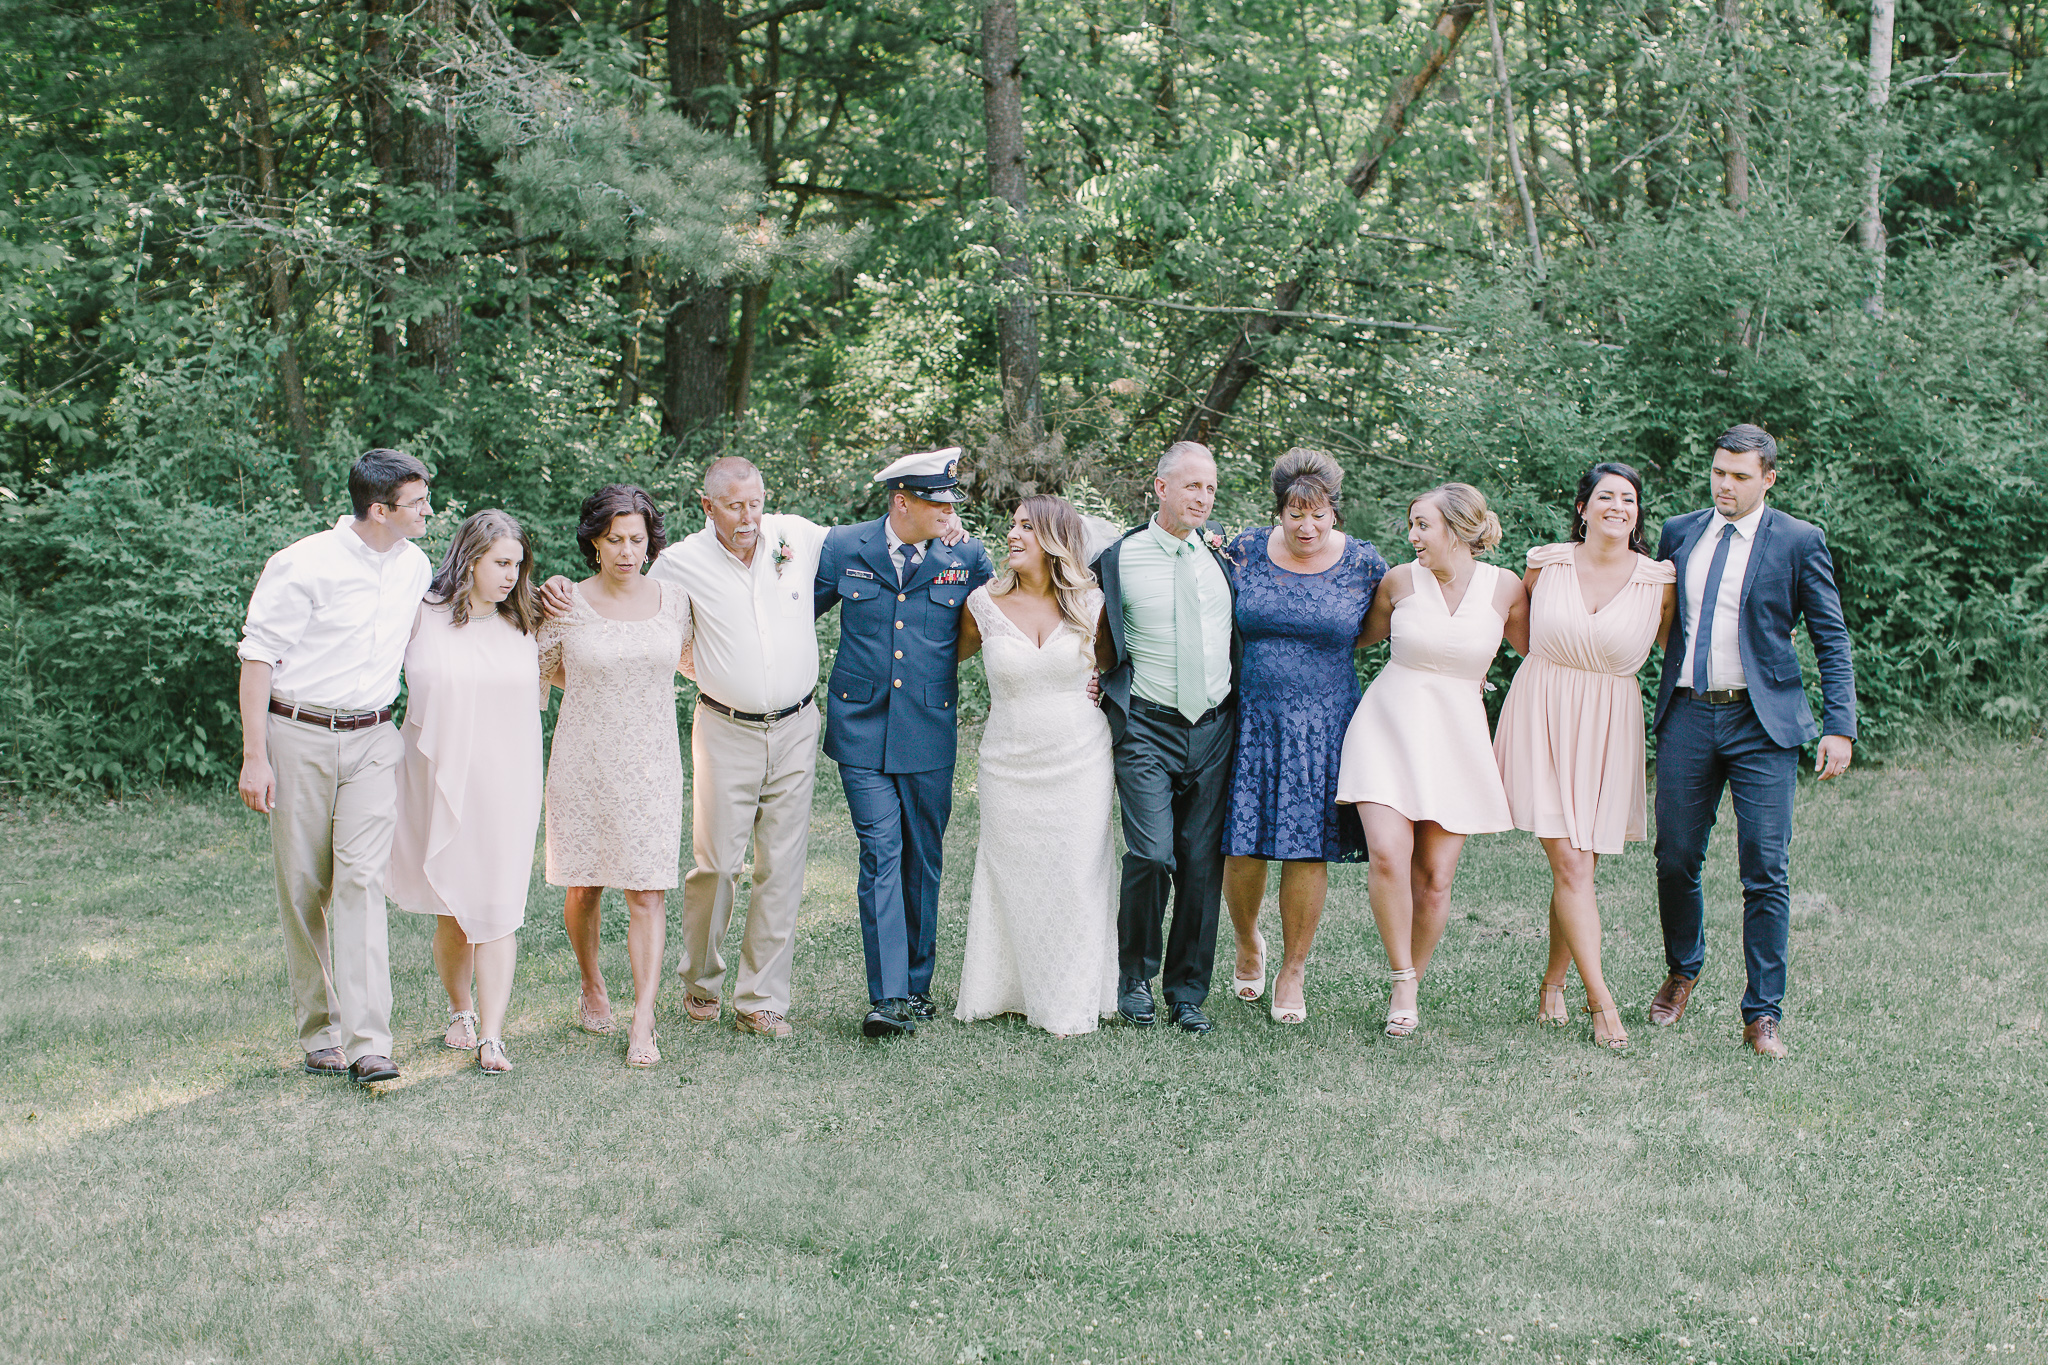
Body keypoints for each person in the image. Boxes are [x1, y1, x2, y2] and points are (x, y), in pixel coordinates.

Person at [1648, 424, 1857, 1058]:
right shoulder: (1679, 534)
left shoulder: (1798, 541)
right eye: (1718, 472)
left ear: (1768, 478)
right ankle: (1683, 970)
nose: (1726, 486)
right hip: (1687, 713)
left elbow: (1832, 637)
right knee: (1676, 857)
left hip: (1762, 723)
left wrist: (1840, 725)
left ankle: (1763, 1013)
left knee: (1766, 869)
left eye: (1740, 476)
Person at [236, 448, 434, 1085]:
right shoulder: (302, 565)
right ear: (380, 510)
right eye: (417, 502)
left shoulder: (415, 565)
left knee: (360, 881)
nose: (428, 510)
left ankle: (370, 1040)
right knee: (304, 887)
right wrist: (254, 757)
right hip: (299, 734)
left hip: (375, 737)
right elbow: (257, 658)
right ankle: (320, 1030)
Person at [1492, 464, 1677, 1050]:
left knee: (1582, 871)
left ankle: (1552, 985)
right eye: (1605, 497)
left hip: (1609, 725)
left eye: (1628, 498)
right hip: (1543, 711)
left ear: (1637, 511)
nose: (1617, 506)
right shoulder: (1546, 563)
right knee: (1572, 867)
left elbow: (1675, 650)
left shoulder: (1658, 579)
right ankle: (1603, 1003)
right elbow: (1516, 632)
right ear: (1583, 507)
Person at [1336, 483, 1529, 1038]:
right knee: (1390, 856)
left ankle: (1412, 982)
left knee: (1436, 877)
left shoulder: (1506, 588)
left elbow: (1543, 653)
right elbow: (1349, 640)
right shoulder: (1398, 582)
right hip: (1387, 728)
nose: (1413, 536)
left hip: (1458, 739)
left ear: (1458, 528)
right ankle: (1401, 979)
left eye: (1423, 525)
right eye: (1412, 525)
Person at [815, 449, 995, 1038]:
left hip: (929, 728)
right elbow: (789, 613)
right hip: (860, 727)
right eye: (937, 504)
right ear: (902, 502)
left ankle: (918, 986)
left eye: (950, 505)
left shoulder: (966, 554)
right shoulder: (844, 545)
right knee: (881, 853)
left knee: (924, 858)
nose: (948, 513)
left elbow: (1003, 617)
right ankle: (888, 997)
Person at [1220, 449, 1387, 1026]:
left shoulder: (1365, 564)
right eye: (1295, 514)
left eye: (1318, 515)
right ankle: (1247, 941)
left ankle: (1293, 969)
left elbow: (1377, 628)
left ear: (1335, 514)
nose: (1307, 527)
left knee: (1307, 846)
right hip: (1252, 719)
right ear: (1280, 513)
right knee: (1241, 844)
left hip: (1326, 723)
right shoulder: (1240, 550)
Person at [1091, 441, 1242, 1036]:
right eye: (1191, 486)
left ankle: (1187, 993)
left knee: (1203, 867)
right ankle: (1134, 978)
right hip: (1147, 727)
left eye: (1209, 487)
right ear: (1160, 488)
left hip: (1214, 727)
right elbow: (1086, 619)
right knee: (1152, 855)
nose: (1202, 498)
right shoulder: (1119, 557)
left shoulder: (1225, 558)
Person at [539, 484, 691, 1068]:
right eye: (614, 539)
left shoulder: (677, 601)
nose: (627, 550)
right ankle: (591, 984)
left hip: (652, 763)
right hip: (583, 761)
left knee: (647, 890)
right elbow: (544, 669)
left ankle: (643, 1020)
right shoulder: (565, 602)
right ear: (594, 544)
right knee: (585, 886)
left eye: (637, 538)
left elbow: (694, 660)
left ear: (651, 542)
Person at [388, 510, 545, 1075]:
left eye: (518, 564)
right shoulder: (421, 615)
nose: (511, 574)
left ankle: (495, 1039)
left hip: (509, 779)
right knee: (453, 910)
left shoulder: (529, 621)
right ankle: (462, 1012)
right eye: (502, 563)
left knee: (500, 905)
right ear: (471, 557)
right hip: (438, 775)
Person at [954, 495, 1117, 1037]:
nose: (1013, 535)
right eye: (1013, 525)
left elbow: (1116, 670)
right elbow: (943, 659)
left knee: (1075, 874)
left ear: (1055, 541)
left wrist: (1096, 683)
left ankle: (1071, 998)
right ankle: (1004, 989)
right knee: (1011, 874)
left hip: (1080, 758)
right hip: (1008, 761)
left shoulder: (1093, 604)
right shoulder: (983, 604)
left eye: (1027, 526)